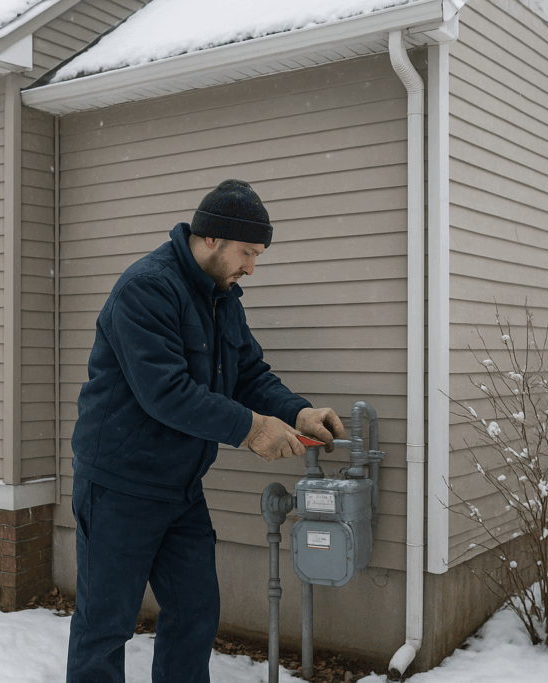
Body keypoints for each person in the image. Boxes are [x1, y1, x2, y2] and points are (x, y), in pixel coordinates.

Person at [66, 179, 345, 683]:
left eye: (258, 255)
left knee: (194, 616)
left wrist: (296, 412)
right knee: (104, 628)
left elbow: (250, 374)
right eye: (247, 252)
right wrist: (251, 428)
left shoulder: (223, 297)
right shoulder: (147, 288)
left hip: (180, 489)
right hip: (119, 487)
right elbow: (165, 392)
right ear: (212, 238)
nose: (251, 268)